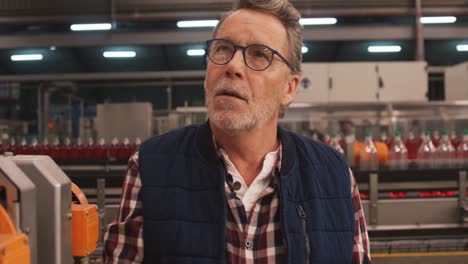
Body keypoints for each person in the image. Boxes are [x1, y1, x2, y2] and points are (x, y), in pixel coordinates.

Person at [103, 0, 371, 263]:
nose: (232, 66)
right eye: (223, 49)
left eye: (259, 54)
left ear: (289, 88)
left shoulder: (334, 175)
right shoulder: (150, 166)